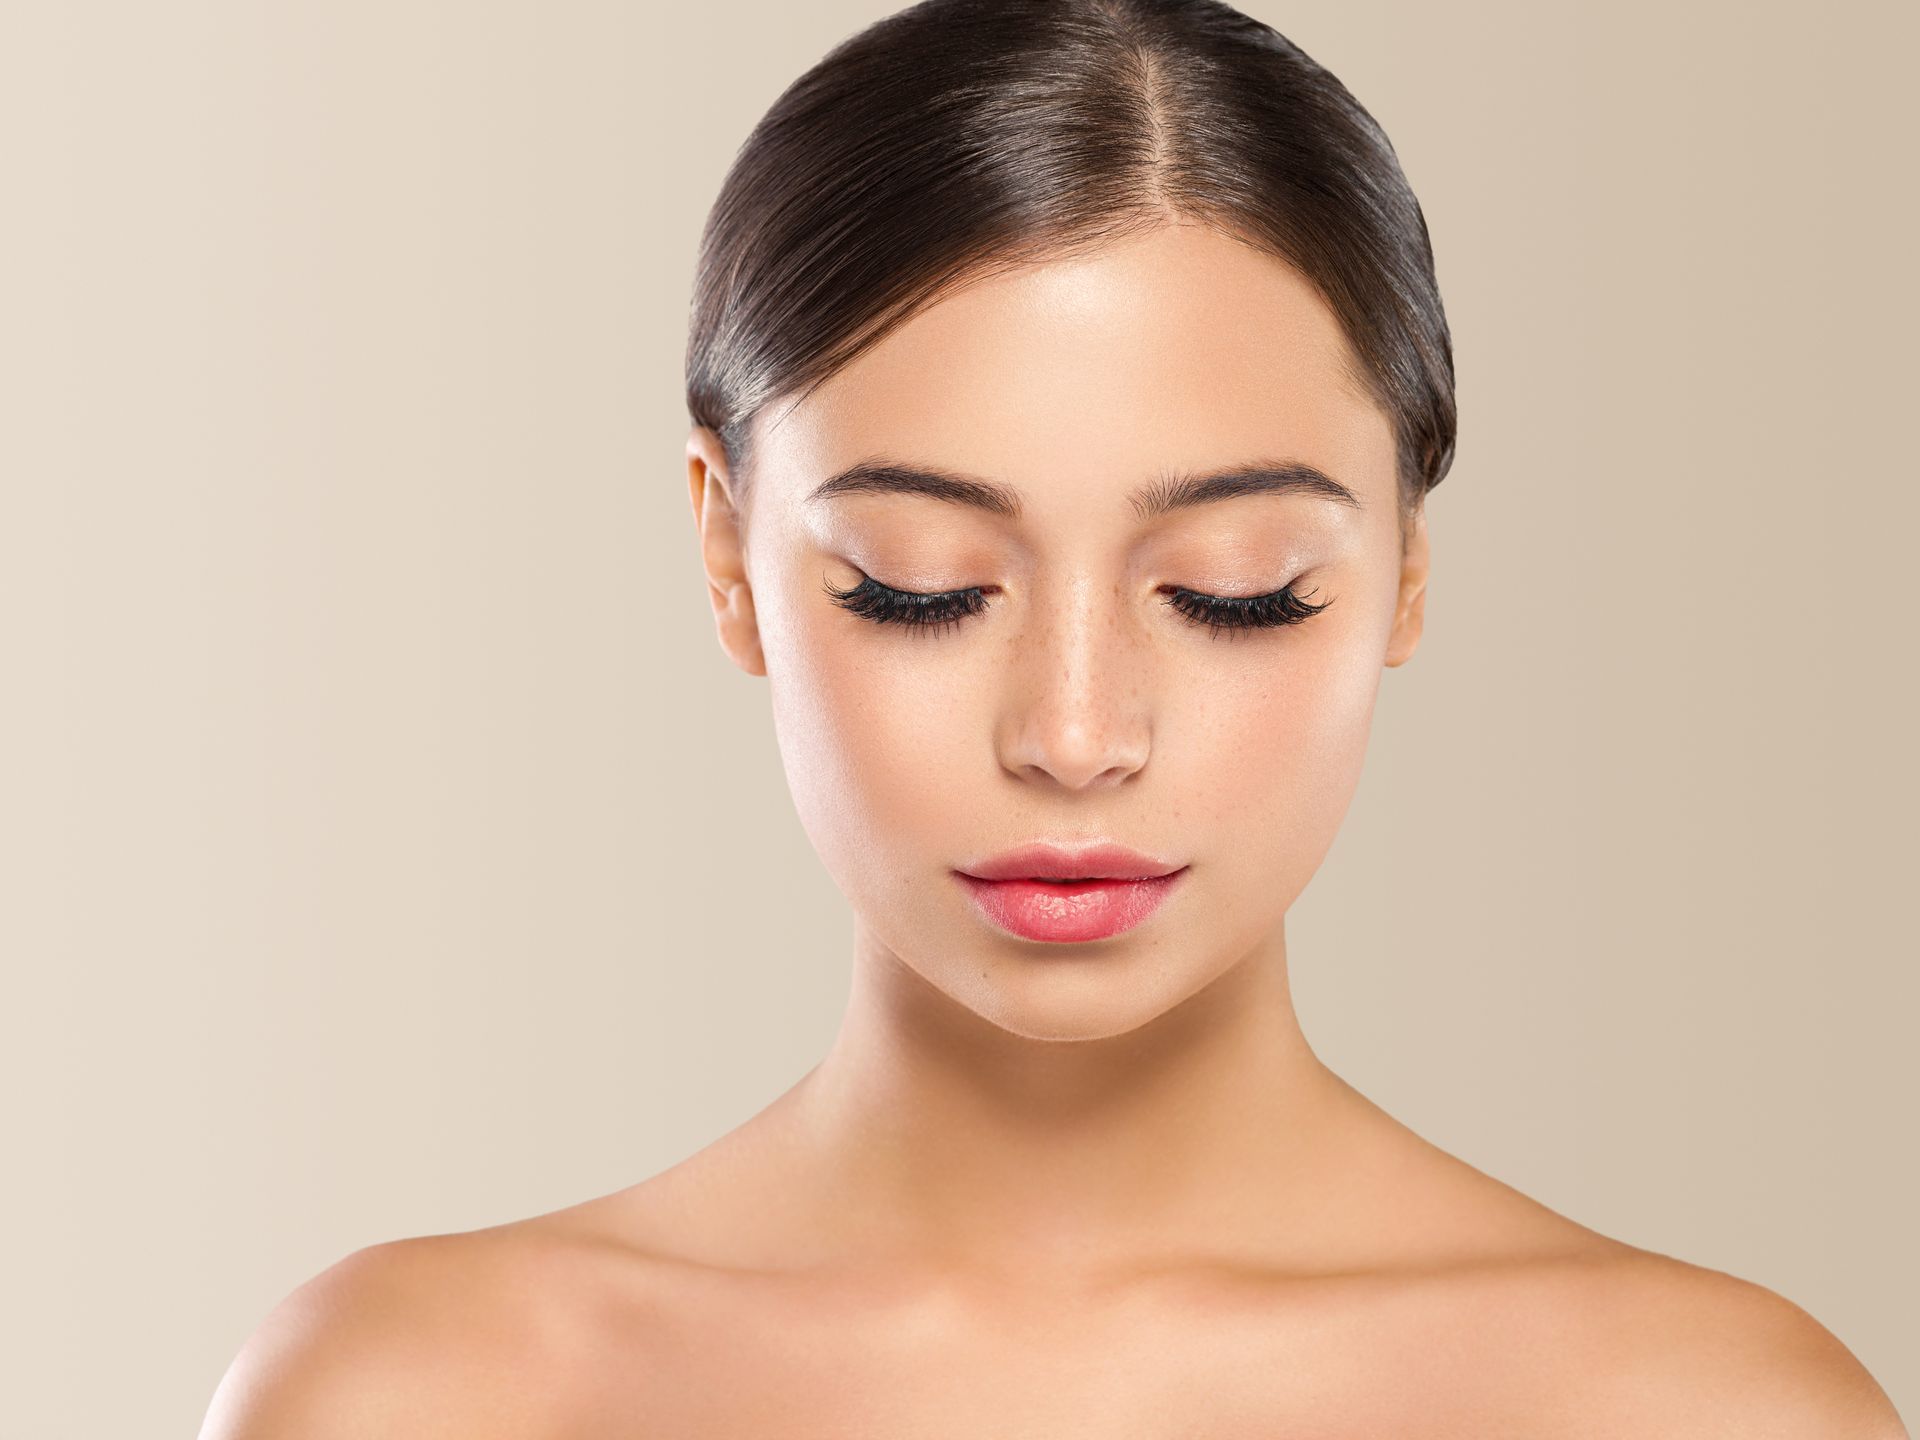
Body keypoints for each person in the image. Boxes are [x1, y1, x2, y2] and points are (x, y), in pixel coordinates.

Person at [199, 1, 1906, 1434]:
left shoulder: (1704, 1410)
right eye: (921, 584)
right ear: (726, 552)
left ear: (1398, 573)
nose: (1077, 738)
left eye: (1237, 590)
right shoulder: (420, 1398)